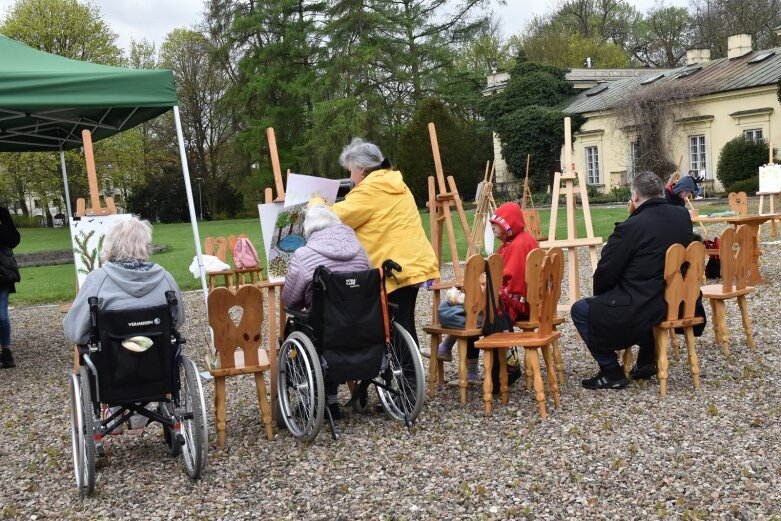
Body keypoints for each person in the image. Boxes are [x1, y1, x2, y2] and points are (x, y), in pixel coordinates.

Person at [571, 171, 692, 390]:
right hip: (680, 302)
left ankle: (611, 371)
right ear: (659, 192)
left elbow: (605, 273)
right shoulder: (682, 217)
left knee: (580, 309)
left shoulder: (631, 228)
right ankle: (646, 361)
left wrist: (604, 294)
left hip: (643, 306)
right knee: (645, 294)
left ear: (635, 196)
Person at [332, 138, 439, 349]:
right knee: (403, 323)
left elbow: (336, 217)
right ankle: (409, 377)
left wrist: (316, 201)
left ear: (361, 169)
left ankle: (407, 375)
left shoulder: (370, 190)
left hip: (393, 268)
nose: (350, 177)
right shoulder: (395, 182)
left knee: (395, 325)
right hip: (414, 263)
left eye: (350, 171)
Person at [426, 202, 538, 386]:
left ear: (509, 224)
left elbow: (505, 288)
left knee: (450, 310)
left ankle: (460, 361)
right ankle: (451, 353)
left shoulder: (517, 246)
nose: (493, 227)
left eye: (497, 224)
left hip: (508, 309)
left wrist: (477, 291)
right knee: (464, 308)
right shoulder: (519, 241)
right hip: (520, 305)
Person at [280, 204, 372, 420]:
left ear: (309, 230)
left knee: (297, 328)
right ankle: (331, 398)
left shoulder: (304, 254)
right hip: (363, 325)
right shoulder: (360, 249)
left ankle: (313, 399)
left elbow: (290, 301)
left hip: (325, 331)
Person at [64, 217, 184, 345]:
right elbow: (178, 320)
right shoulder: (165, 279)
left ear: (110, 246)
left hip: (110, 361)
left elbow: (75, 333)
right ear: (145, 245)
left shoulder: (97, 281)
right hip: (160, 358)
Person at [0, 207, 20, 368]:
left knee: (1, 315)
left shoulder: (2, 213)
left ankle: (6, 351)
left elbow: (13, 240)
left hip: (2, 273)